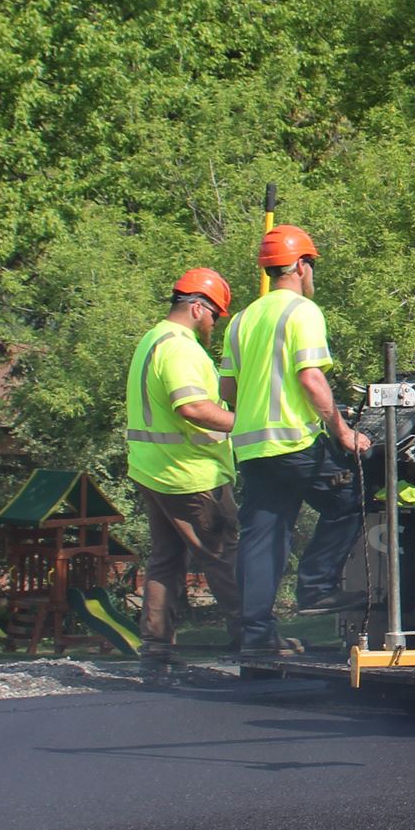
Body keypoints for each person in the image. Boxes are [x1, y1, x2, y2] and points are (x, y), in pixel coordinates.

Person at [224, 224, 371, 657]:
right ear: (302, 265)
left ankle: (256, 635)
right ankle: (317, 587)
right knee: (351, 498)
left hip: (252, 448)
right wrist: (343, 431)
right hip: (293, 442)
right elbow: (310, 378)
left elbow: (228, 390)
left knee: (262, 538)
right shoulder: (302, 312)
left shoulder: (241, 320)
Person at [124, 267, 242, 675]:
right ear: (197, 308)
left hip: (154, 470)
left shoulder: (152, 339)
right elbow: (191, 407)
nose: (214, 325)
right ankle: (255, 639)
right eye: (215, 316)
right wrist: (247, 423)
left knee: (166, 560)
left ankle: (156, 651)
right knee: (224, 557)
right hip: (191, 474)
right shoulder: (180, 348)